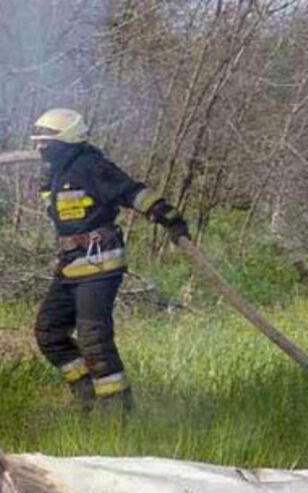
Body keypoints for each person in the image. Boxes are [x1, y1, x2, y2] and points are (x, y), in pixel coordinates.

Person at [28, 107, 189, 414]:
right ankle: (86, 393)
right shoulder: (58, 172)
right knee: (48, 332)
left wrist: (169, 217)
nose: (39, 148)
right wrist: (48, 186)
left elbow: (133, 192)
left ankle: (116, 411)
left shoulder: (94, 166)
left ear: (67, 141)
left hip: (100, 262)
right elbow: (57, 209)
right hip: (72, 263)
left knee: (93, 337)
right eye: (37, 143)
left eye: (45, 143)